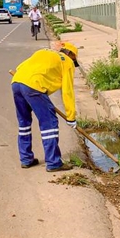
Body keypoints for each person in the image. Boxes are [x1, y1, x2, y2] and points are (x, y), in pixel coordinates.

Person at [11, 42, 79, 172]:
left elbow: (21, 67)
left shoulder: (43, 52)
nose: (74, 63)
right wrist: (71, 117)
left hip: (16, 82)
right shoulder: (67, 62)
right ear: (71, 54)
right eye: (75, 60)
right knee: (49, 123)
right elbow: (67, 91)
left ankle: (26, 159)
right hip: (34, 87)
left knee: (24, 123)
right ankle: (53, 162)